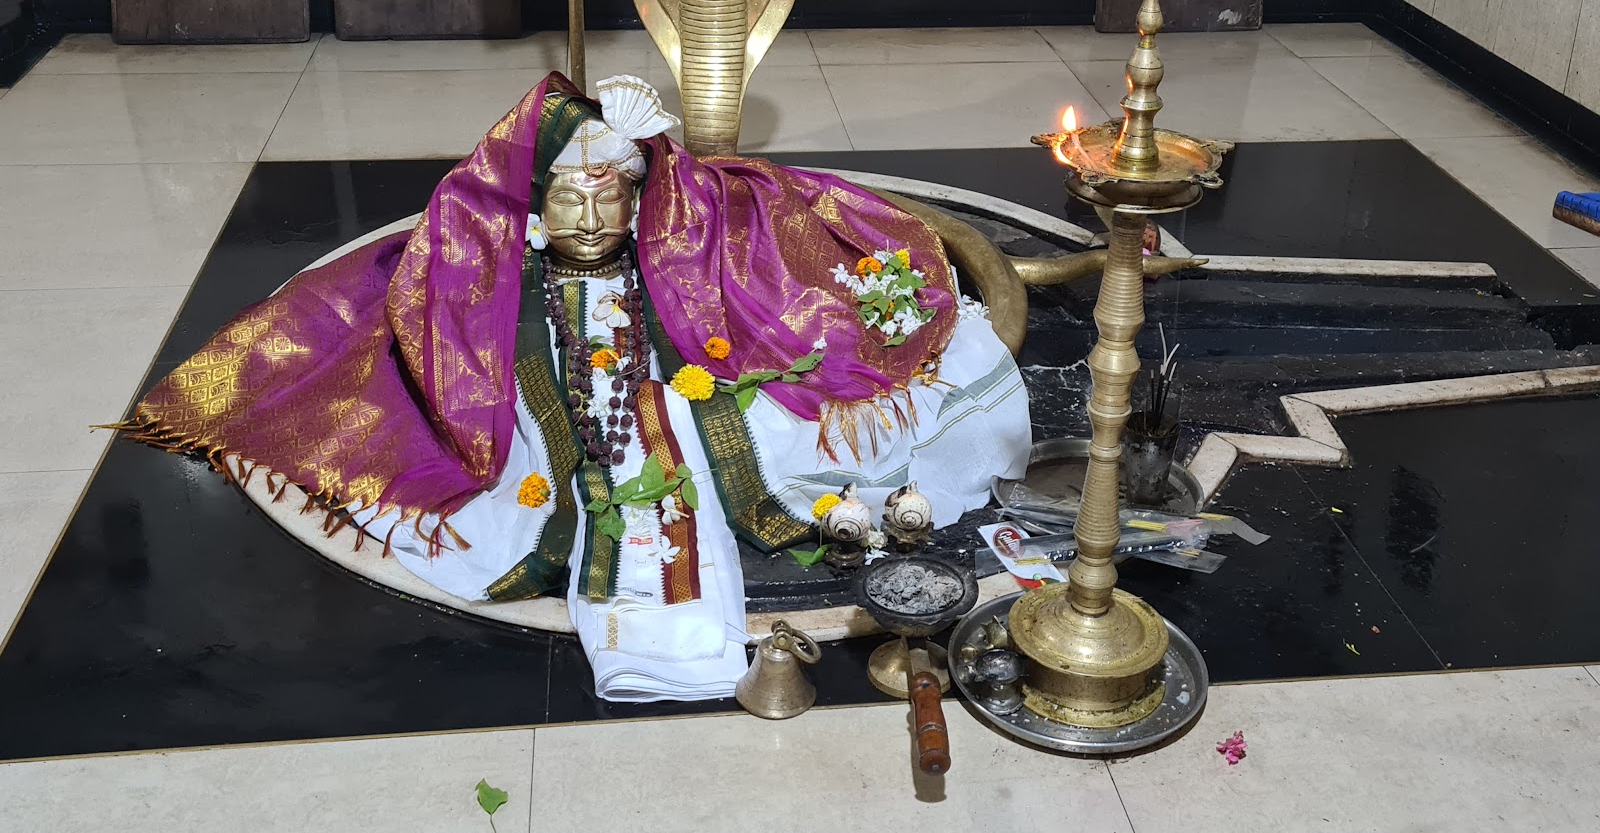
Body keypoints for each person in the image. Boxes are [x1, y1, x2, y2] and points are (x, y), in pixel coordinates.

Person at [123, 74, 1030, 700]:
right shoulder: (486, 264)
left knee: (784, 435)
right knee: (502, 477)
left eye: (612, 198)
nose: (593, 221)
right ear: (533, 205)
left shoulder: (683, 241)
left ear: (642, 203)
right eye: (570, 199)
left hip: (693, 374)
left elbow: (741, 245)